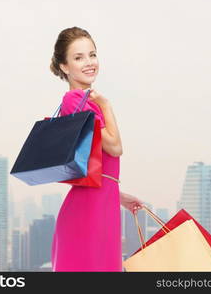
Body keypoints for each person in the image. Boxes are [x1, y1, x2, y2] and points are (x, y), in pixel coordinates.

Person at [49, 26, 143, 272]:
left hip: (101, 203)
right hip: (88, 212)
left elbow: (92, 164)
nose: (89, 62)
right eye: (78, 58)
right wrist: (107, 104)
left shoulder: (87, 102)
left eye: (92, 54)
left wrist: (117, 195)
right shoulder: (75, 101)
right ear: (64, 66)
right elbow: (115, 147)